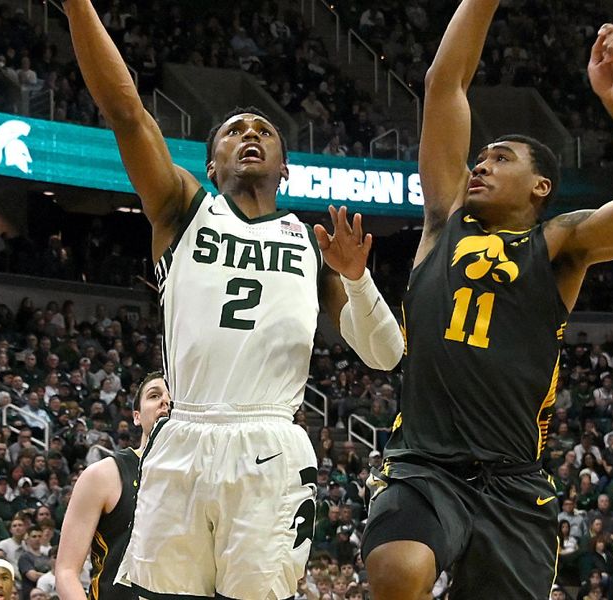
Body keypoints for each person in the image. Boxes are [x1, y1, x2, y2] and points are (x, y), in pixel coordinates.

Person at [64, 1, 403, 598]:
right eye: (234, 131)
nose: (250, 135)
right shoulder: (183, 208)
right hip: (185, 431)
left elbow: (385, 356)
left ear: (285, 167)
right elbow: (125, 112)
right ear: (209, 161)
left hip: (269, 443)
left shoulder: (310, 241)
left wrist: (356, 278)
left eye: (264, 131)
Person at [361, 0, 613, 597]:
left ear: (541, 187)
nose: (480, 165)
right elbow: (444, 84)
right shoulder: (445, 220)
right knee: (398, 568)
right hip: (424, 464)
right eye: (480, 158)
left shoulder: (560, 244)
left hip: (514, 482)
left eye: (499, 159)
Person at [56, 372, 170, 600]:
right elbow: (66, 571)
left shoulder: (204, 480)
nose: (165, 402)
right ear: (136, 416)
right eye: (154, 395)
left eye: (172, 397)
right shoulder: (104, 475)